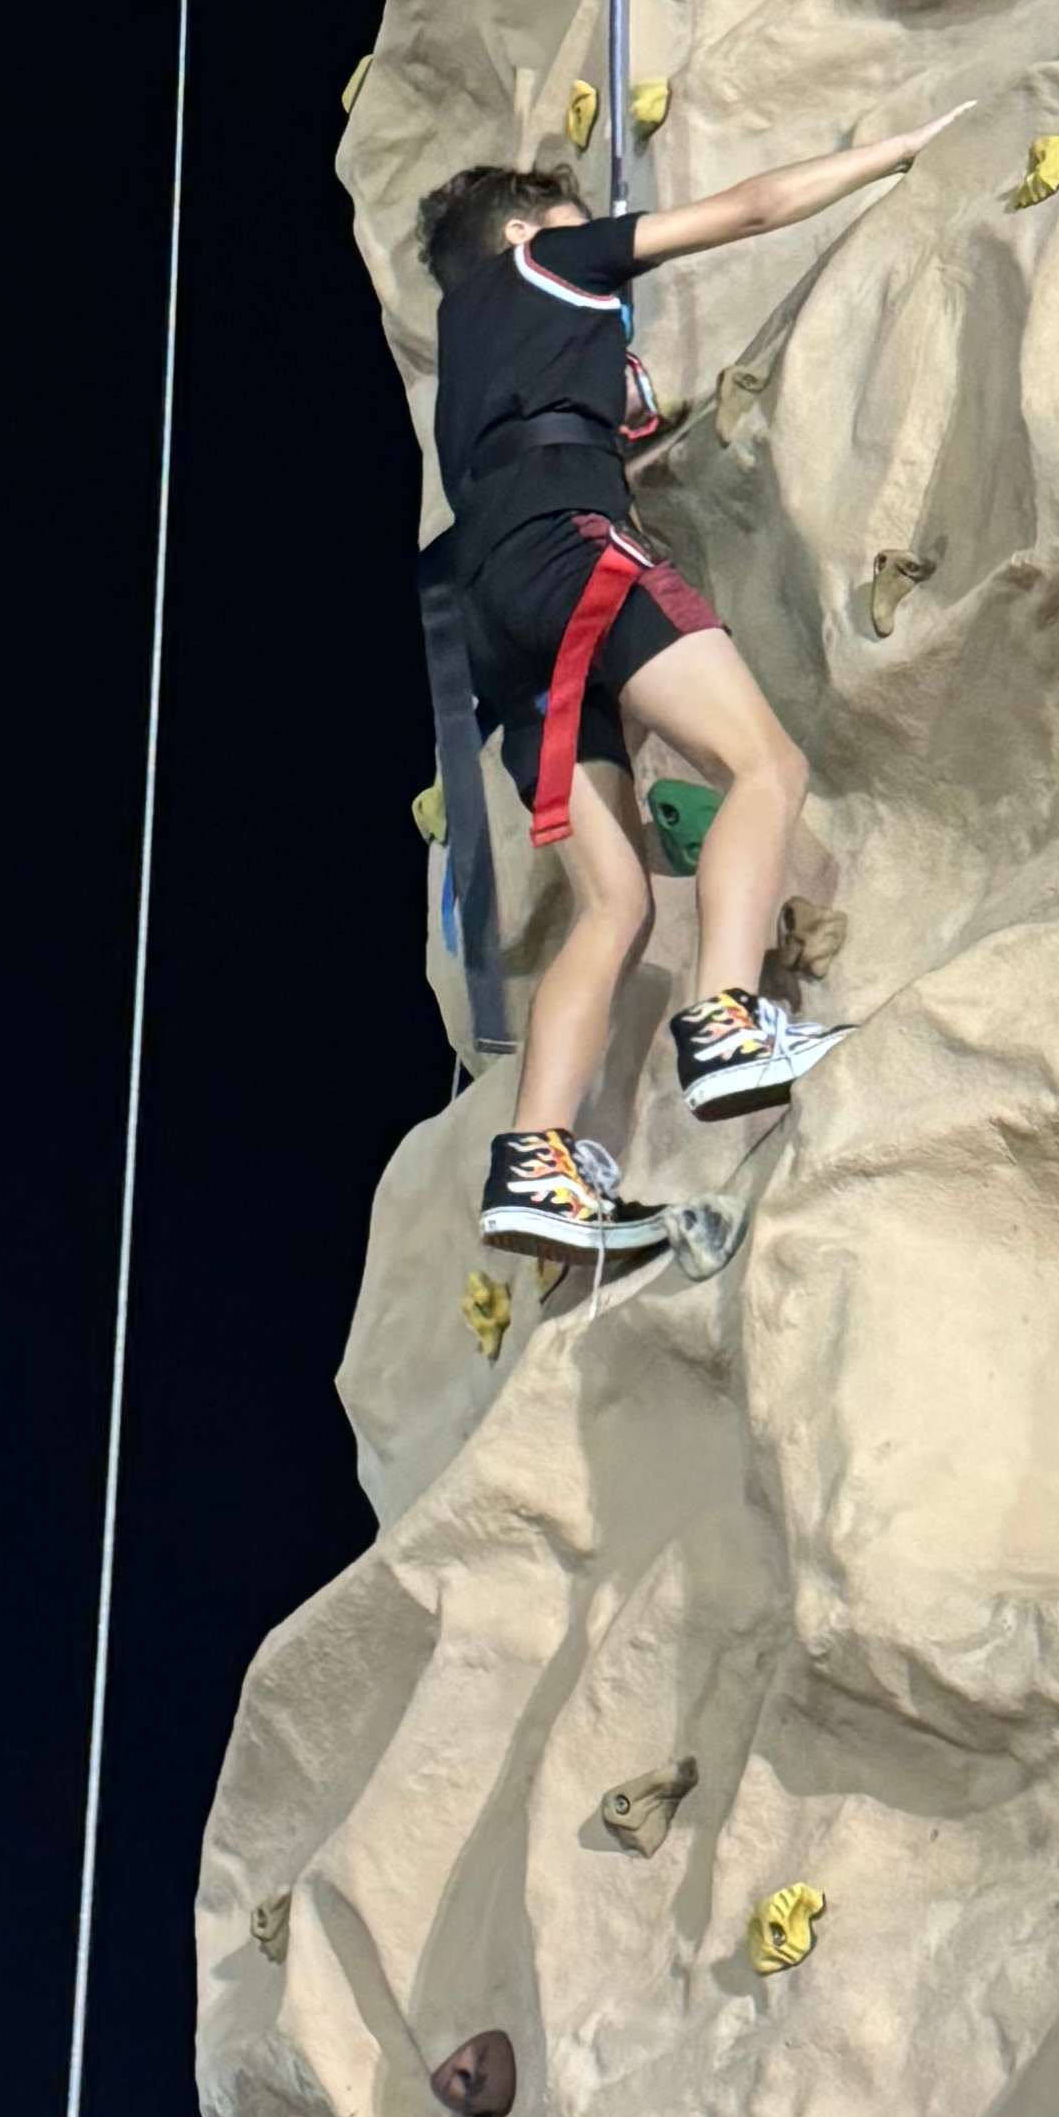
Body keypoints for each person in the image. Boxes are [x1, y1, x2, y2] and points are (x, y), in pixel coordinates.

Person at [415, 108, 969, 1258]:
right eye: (572, 218)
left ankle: (537, 1162)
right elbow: (749, 209)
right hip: (572, 553)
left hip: (489, 621)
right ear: (523, 229)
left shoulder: (468, 353)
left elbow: (586, 415)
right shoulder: (548, 258)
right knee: (766, 765)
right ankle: (727, 1023)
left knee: (613, 902)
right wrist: (900, 146)